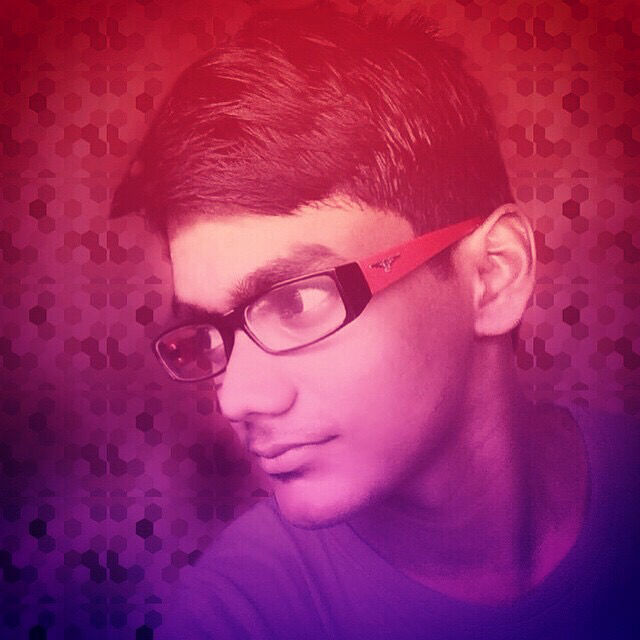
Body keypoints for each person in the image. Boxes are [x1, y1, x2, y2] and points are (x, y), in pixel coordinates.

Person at [111, 4, 638, 639]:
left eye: (295, 302)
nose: (236, 399)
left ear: (492, 274)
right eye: (209, 333)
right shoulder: (239, 616)